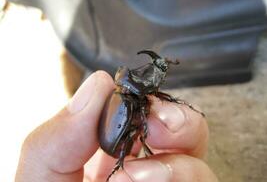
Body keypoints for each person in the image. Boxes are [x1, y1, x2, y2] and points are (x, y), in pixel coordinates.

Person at [15, 71, 218, 182]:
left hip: (114, 146)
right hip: (115, 145)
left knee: (149, 127)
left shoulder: (126, 95)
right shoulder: (126, 99)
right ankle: (122, 167)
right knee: (142, 129)